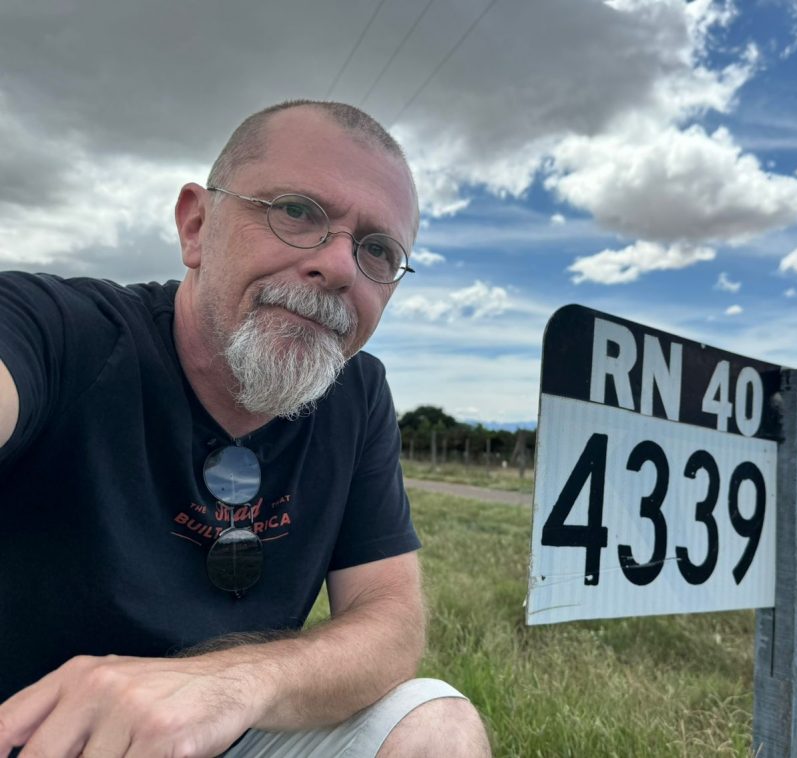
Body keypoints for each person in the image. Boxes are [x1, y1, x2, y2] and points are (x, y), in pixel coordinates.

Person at [0, 101, 491, 757]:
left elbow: (391, 622)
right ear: (196, 226)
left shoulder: (357, 392)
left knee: (437, 727)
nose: (340, 268)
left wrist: (233, 685)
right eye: (297, 212)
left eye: (378, 249)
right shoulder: (57, 333)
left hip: (229, 731)